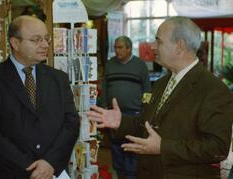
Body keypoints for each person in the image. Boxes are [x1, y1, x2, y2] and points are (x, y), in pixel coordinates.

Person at [87, 16, 233, 179]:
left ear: (179, 46)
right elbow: (148, 125)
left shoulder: (213, 89)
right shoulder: (162, 83)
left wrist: (163, 147)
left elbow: (217, 148)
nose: (152, 46)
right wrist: (121, 122)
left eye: (159, 41)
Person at [0, 15, 80, 179]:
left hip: (53, 172)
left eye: (46, 39)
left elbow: (71, 123)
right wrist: (31, 167)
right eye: (36, 40)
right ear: (15, 43)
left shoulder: (59, 79)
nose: (44, 45)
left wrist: (50, 162)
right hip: (11, 172)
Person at [101, 35, 151, 179]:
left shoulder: (140, 65)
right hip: (113, 114)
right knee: (116, 150)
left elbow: (147, 90)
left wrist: (145, 111)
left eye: (120, 47)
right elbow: (104, 87)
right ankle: (121, 175)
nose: (117, 50)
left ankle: (131, 176)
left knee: (131, 150)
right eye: (115, 47)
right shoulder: (110, 64)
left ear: (129, 49)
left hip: (134, 114)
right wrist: (104, 106)